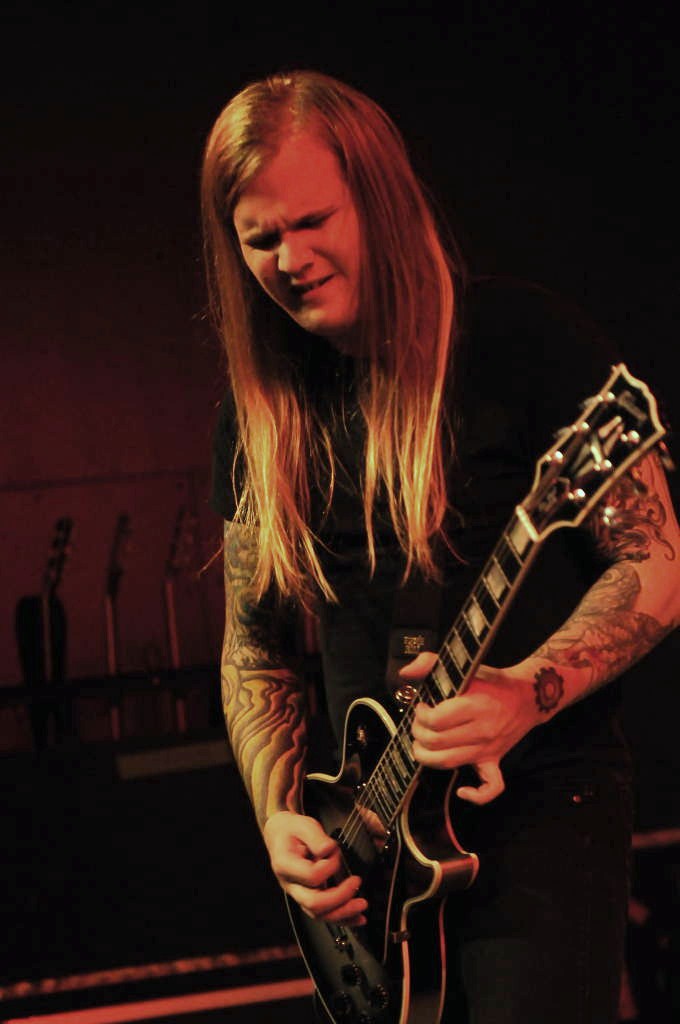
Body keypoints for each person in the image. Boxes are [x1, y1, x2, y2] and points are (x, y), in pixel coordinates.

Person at [202, 69, 680, 1024]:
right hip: (368, 853)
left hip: (539, 810)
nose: (290, 259)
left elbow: (657, 564)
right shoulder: (258, 420)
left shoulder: (523, 343)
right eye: (259, 239)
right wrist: (279, 817)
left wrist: (526, 691)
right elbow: (253, 646)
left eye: (313, 221)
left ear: (378, 199)